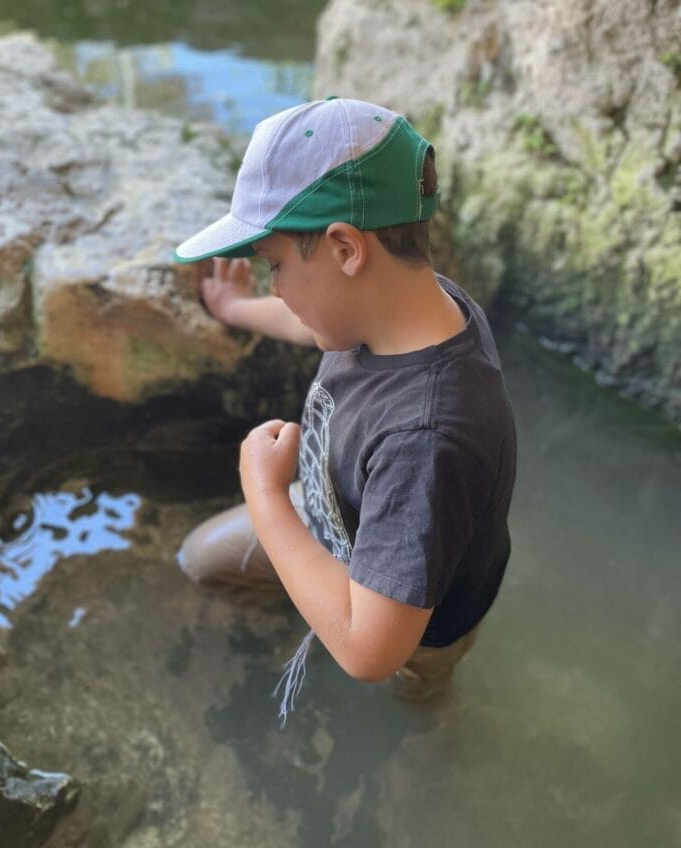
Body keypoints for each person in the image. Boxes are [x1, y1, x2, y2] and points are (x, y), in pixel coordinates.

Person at [173, 96, 516, 721]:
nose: (273, 284)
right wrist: (236, 310)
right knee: (201, 560)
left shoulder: (427, 438)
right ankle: (315, 596)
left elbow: (368, 652)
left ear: (345, 249)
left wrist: (267, 495)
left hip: (414, 628)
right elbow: (315, 319)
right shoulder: (411, 301)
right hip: (336, 513)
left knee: (408, 701)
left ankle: (430, 726)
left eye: (274, 264)